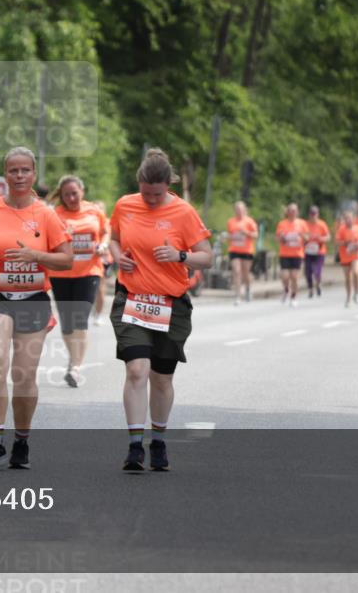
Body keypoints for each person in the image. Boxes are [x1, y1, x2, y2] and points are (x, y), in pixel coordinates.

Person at [0, 147, 71, 468]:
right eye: (13, 171)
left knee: (23, 375)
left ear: (34, 174)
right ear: (5, 175)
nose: (19, 176)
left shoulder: (47, 215)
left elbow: (66, 260)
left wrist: (37, 257)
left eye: (25, 171)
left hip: (33, 299)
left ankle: (21, 440)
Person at [108, 148, 212, 472]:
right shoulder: (125, 205)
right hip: (133, 297)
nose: (151, 200)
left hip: (171, 303)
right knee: (136, 369)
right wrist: (117, 256)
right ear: (139, 182)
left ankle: (160, 440)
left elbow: (206, 256)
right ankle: (135, 445)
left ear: (169, 185)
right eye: (146, 193)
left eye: (157, 194)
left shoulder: (184, 212)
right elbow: (112, 238)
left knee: (161, 378)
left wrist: (180, 256)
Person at [48, 175, 108, 388]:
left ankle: (76, 367)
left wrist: (103, 244)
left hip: (89, 271)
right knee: (66, 324)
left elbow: (106, 231)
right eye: (66, 195)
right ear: (61, 196)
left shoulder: (94, 211)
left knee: (80, 318)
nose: (71, 198)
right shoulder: (55, 214)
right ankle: (73, 360)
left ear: (82, 191)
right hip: (61, 273)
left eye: (74, 193)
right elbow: (47, 240)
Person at [275, 203, 307, 307]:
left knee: (294, 276)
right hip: (285, 253)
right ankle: (286, 289)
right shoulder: (282, 224)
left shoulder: (302, 223)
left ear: (297, 212)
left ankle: (294, 297)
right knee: (285, 275)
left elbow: (307, 237)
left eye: (294, 211)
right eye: (290, 210)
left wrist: (301, 236)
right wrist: (283, 238)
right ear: (287, 212)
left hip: (297, 253)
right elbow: (277, 238)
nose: (292, 213)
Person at [226, 201, 258, 305]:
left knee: (245, 274)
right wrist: (229, 236)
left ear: (244, 210)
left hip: (247, 250)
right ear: (235, 210)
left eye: (241, 209)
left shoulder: (249, 221)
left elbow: (255, 235)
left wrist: (246, 233)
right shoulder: (231, 221)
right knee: (236, 271)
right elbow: (229, 235)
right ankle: (238, 295)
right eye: (237, 209)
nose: (239, 211)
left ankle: (248, 289)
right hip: (234, 250)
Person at [335, 210, 358, 307]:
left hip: (356, 255)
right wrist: (345, 243)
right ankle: (348, 297)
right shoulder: (341, 230)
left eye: (350, 218)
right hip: (345, 256)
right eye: (346, 218)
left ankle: (357, 293)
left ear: (353, 219)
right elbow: (337, 241)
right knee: (347, 278)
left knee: (356, 272)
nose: (348, 220)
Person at [303, 205, 330, 299]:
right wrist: (305, 238)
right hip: (308, 251)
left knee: (317, 271)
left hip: (319, 251)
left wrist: (321, 238)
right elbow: (302, 235)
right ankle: (310, 289)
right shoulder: (305, 224)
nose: (313, 216)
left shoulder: (322, 224)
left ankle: (318, 284)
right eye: (311, 213)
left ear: (318, 214)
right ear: (309, 214)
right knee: (308, 271)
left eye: (315, 213)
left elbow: (328, 237)